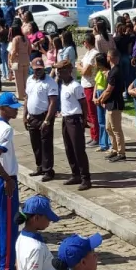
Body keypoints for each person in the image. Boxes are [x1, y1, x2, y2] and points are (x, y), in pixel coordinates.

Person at [0, 92, 23, 270]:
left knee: (2, 224)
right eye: (12, 108)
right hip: (5, 180)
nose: (15, 111)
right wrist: (7, 179)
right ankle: (6, 266)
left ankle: (3, 262)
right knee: (9, 225)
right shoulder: (5, 130)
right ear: (3, 108)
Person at [56, 59, 92, 190]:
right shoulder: (62, 84)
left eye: (61, 71)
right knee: (68, 148)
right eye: (58, 71)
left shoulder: (75, 86)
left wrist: (84, 120)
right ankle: (75, 173)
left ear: (69, 71)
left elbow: (83, 104)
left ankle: (85, 178)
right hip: (66, 118)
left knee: (78, 149)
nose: (58, 73)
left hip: (75, 119)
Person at [99, 49, 128, 162]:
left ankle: (121, 152)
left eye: (107, 56)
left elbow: (109, 90)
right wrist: (102, 99)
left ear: (110, 57)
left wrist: (100, 99)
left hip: (114, 103)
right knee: (108, 127)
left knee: (116, 129)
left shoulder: (115, 71)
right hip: (110, 103)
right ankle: (114, 149)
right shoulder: (112, 70)